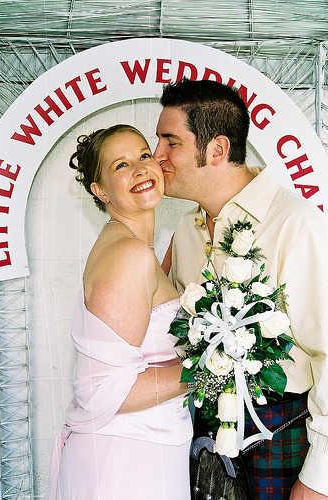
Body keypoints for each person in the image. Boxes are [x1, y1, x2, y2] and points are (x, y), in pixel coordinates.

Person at [153, 79, 328, 500]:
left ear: (217, 149)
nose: (156, 156)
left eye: (169, 141)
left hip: (282, 439)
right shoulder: (185, 229)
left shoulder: (296, 223)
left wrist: (319, 478)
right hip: (203, 444)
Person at [44, 124, 193, 500]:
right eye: (121, 165)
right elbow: (104, 393)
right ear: (100, 190)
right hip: (126, 460)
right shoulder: (128, 255)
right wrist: (213, 368)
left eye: (144, 156)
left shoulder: (136, 249)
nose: (141, 170)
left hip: (143, 451)